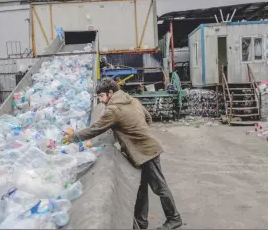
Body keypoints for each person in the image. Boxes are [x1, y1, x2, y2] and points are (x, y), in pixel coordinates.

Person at [63, 77, 182, 230]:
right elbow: (148, 118)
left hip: (146, 151)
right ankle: (142, 223)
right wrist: (137, 131)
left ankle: (174, 218)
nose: (100, 101)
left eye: (101, 96)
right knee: (141, 190)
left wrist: (72, 138)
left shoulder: (114, 109)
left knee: (159, 187)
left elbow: (95, 129)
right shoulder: (132, 100)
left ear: (110, 93)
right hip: (142, 151)